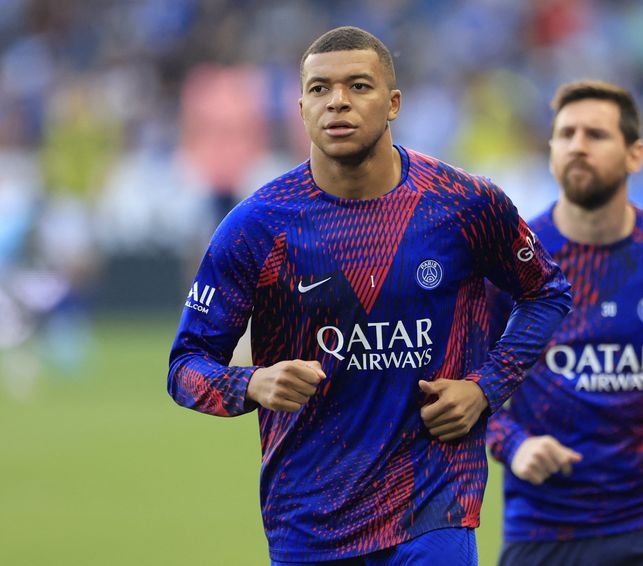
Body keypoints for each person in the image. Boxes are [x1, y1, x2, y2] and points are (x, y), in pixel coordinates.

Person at [167, 26, 572, 565]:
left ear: (393, 103)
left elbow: (547, 292)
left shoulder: (465, 205)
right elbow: (185, 367)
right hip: (308, 520)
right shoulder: (257, 227)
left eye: (359, 86)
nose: (337, 101)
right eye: (319, 89)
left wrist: (484, 389)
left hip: (432, 509)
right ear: (301, 107)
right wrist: (252, 383)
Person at [487, 79, 643, 566]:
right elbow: (463, 371)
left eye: (595, 134)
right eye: (565, 134)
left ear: (635, 154)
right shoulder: (515, 259)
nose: (577, 146)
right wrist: (512, 444)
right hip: (544, 527)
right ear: (550, 152)